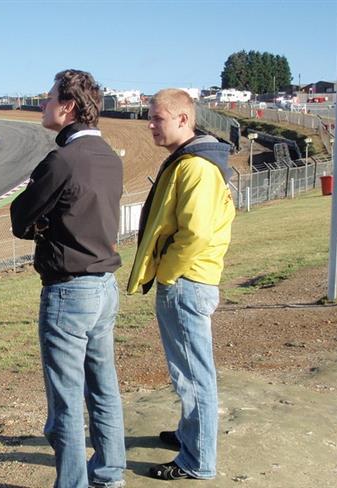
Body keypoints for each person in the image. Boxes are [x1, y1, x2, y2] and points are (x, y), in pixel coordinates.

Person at [10, 69, 126, 488]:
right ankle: (110, 475)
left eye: (48, 98)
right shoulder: (109, 156)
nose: (42, 105)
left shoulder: (62, 160)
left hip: (69, 292)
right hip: (104, 288)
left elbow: (21, 219)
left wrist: (44, 226)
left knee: (65, 403)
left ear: (68, 106)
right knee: (103, 389)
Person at [127, 88, 235, 480]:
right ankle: (191, 436)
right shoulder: (192, 161)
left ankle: (197, 461)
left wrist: (169, 272)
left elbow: (196, 234)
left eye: (158, 118)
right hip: (188, 280)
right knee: (187, 372)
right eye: (150, 117)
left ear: (184, 119)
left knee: (193, 375)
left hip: (187, 282)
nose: (150, 125)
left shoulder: (196, 168)